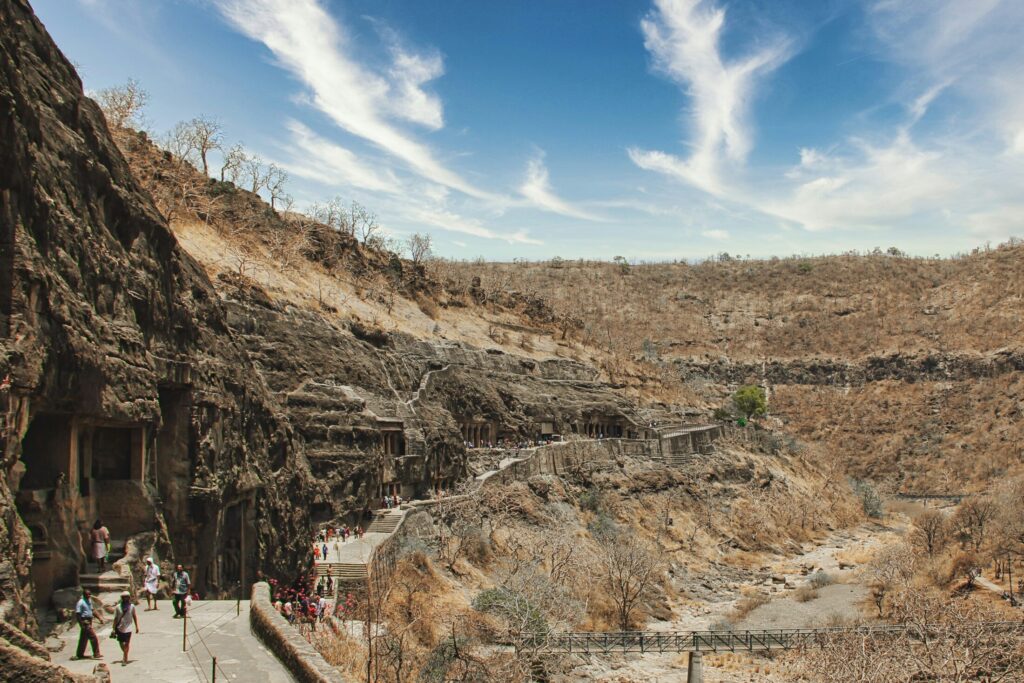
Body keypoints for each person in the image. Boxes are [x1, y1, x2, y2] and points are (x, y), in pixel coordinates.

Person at [72, 588, 104, 660]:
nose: (89, 595)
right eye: (87, 594)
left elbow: (92, 610)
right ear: (84, 595)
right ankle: (96, 654)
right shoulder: (80, 602)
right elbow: (78, 614)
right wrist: (81, 624)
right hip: (85, 621)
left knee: (83, 639)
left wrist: (99, 618)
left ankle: (79, 654)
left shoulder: (89, 601)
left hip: (90, 620)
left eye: (89, 594)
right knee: (93, 637)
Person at [112, 591, 140, 666]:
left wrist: (137, 626)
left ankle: (125, 658)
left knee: (127, 643)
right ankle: (125, 652)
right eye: (124, 597)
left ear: (129, 598)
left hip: (128, 628)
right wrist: (113, 629)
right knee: (121, 643)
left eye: (127, 597)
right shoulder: (118, 607)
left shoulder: (132, 606)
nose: (125, 599)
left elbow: (134, 616)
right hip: (120, 627)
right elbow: (115, 618)